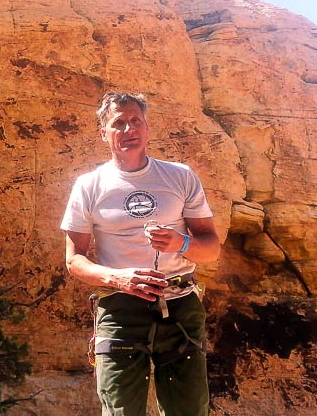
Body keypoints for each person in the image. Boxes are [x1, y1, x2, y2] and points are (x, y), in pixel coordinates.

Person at [60, 93, 221, 416]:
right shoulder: (89, 185)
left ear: (147, 128)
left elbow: (212, 248)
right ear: (103, 133)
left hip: (179, 305)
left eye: (135, 121)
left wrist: (181, 244)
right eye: (118, 123)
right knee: (121, 411)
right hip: (119, 309)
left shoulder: (180, 176)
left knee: (189, 410)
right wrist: (117, 278)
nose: (128, 129)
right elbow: (73, 260)